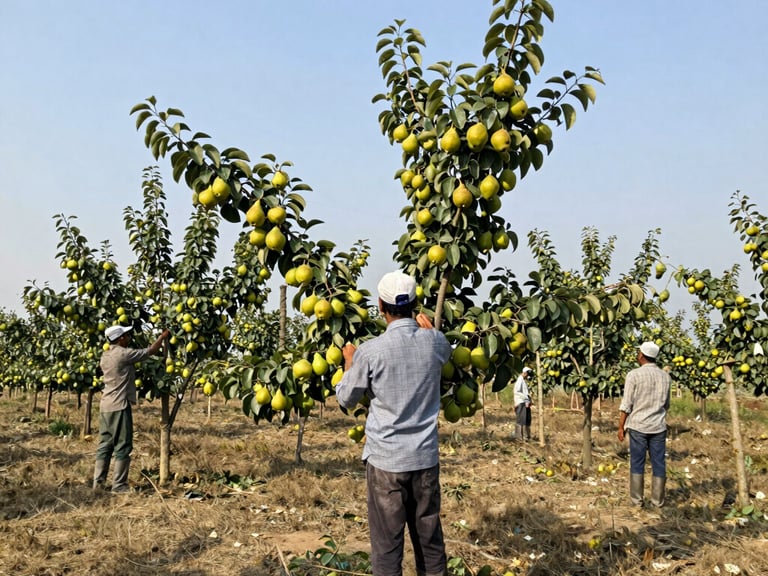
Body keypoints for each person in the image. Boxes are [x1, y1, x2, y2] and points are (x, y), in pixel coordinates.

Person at [336, 271, 452, 576]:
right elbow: (443, 350)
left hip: (387, 463)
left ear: (380, 306)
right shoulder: (436, 343)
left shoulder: (370, 352)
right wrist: (429, 330)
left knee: (387, 548)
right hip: (425, 459)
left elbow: (346, 399)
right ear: (415, 304)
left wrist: (349, 360)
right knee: (430, 543)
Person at [93, 325, 169, 493]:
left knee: (105, 444)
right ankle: (119, 485)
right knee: (123, 446)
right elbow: (150, 351)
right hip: (119, 405)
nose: (129, 337)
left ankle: (98, 484)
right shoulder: (123, 354)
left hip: (105, 406)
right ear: (120, 338)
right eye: (126, 335)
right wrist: (162, 337)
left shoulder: (105, 356)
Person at [617, 341, 671, 508]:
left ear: (641, 355)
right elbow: (666, 405)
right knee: (659, 463)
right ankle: (657, 502)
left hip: (638, 426)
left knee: (637, 462)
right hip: (658, 426)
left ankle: (636, 502)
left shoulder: (633, 375)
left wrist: (621, 426)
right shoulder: (665, 376)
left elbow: (626, 404)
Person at [513, 367, 533, 441]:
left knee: (527, 419)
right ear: (525, 373)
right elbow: (517, 391)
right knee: (521, 420)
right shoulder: (520, 380)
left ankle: (526, 437)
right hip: (521, 402)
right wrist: (526, 398)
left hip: (524, 402)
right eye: (527, 374)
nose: (527, 376)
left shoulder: (523, 381)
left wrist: (528, 400)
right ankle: (519, 438)